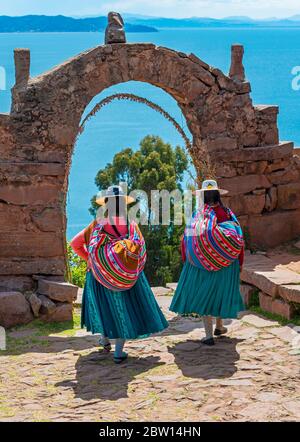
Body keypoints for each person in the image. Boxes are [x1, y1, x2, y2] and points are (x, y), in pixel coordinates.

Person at [70, 185, 168, 363]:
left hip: (98, 276)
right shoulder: (131, 226)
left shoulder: (97, 224)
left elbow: (75, 244)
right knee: (123, 309)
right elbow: (140, 250)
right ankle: (118, 352)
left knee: (103, 307)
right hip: (127, 277)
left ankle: (105, 340)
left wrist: (91, 260)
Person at [170, 180, 245, 346]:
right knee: (219, 294)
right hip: (227, 263)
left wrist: (188, 260)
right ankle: (219, 326)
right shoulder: (227, 213)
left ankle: (209, 334)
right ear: (218, 195)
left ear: (203, 196)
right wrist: (239, 263)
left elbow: (187, 241)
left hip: (201, 263)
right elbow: (239, 239)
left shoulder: (198, 216)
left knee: (205, 296)